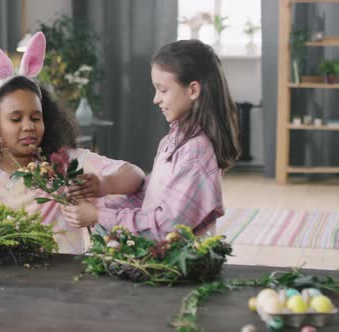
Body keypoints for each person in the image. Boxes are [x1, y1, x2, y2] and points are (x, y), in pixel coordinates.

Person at [0, 32, 144, 254]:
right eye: (16, 119)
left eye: (36, 118)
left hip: (62, 284)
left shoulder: (66, 164)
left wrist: (103, 184)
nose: (28, 126)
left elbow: (135, 175)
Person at [61, 39, 240, 240]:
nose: (156, 99)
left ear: (193, 90)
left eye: (163, 90)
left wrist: (99, 215)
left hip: (174, 267)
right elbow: (149, 198)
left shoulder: (196, 151)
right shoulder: (172, 141)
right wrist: (98, 205)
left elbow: (169, 227)